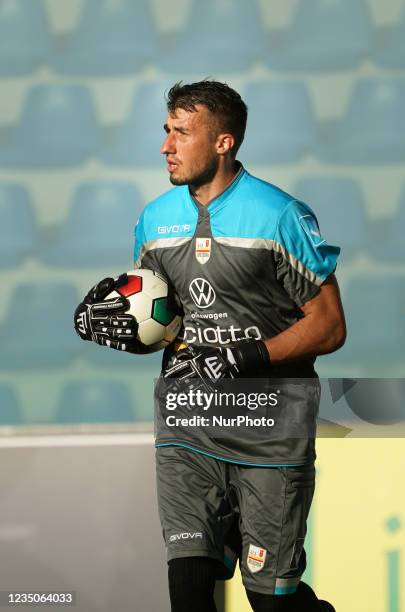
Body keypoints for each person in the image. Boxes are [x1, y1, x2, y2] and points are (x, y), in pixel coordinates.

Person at [74, 80, 346, 612]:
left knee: (271, 601)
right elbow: (165, 321)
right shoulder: (154, 221)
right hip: (188, 425)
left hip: (270, 428)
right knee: (190, 592)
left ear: (223, 142)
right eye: (166, 131)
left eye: (181, 133)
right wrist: (123, 328)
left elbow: (331, 326)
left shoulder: (279, 216)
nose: (166, 146)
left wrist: (245, 355)